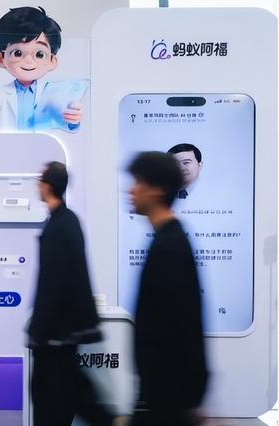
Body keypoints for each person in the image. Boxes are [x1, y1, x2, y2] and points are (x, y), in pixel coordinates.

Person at [27, 161, 114, 426]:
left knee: (52, 397)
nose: (38, 186)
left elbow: (53, 283)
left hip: (55, 335)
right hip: (64, 332)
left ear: (47, 186)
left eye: (40, 181)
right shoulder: (68, 221)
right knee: (71, 394)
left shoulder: (58, 226)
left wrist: (40, 330)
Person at [127, 152, 208, 426]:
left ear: (158, 189)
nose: (131, 190)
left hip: (168, 395)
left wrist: (190, 400)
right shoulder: (166, 238)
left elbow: (184, 324)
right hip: (163, 393)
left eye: (138, 181)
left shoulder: (170, 246)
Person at [0, 6, 84, 131]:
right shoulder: (4, 92)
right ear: (0, 59)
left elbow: (58, 119)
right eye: (17, 53)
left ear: (52, 61)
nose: (28, 61)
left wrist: (73, 120)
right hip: (13, 142)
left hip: (40, 141)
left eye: (39, 54)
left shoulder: (50, 94)